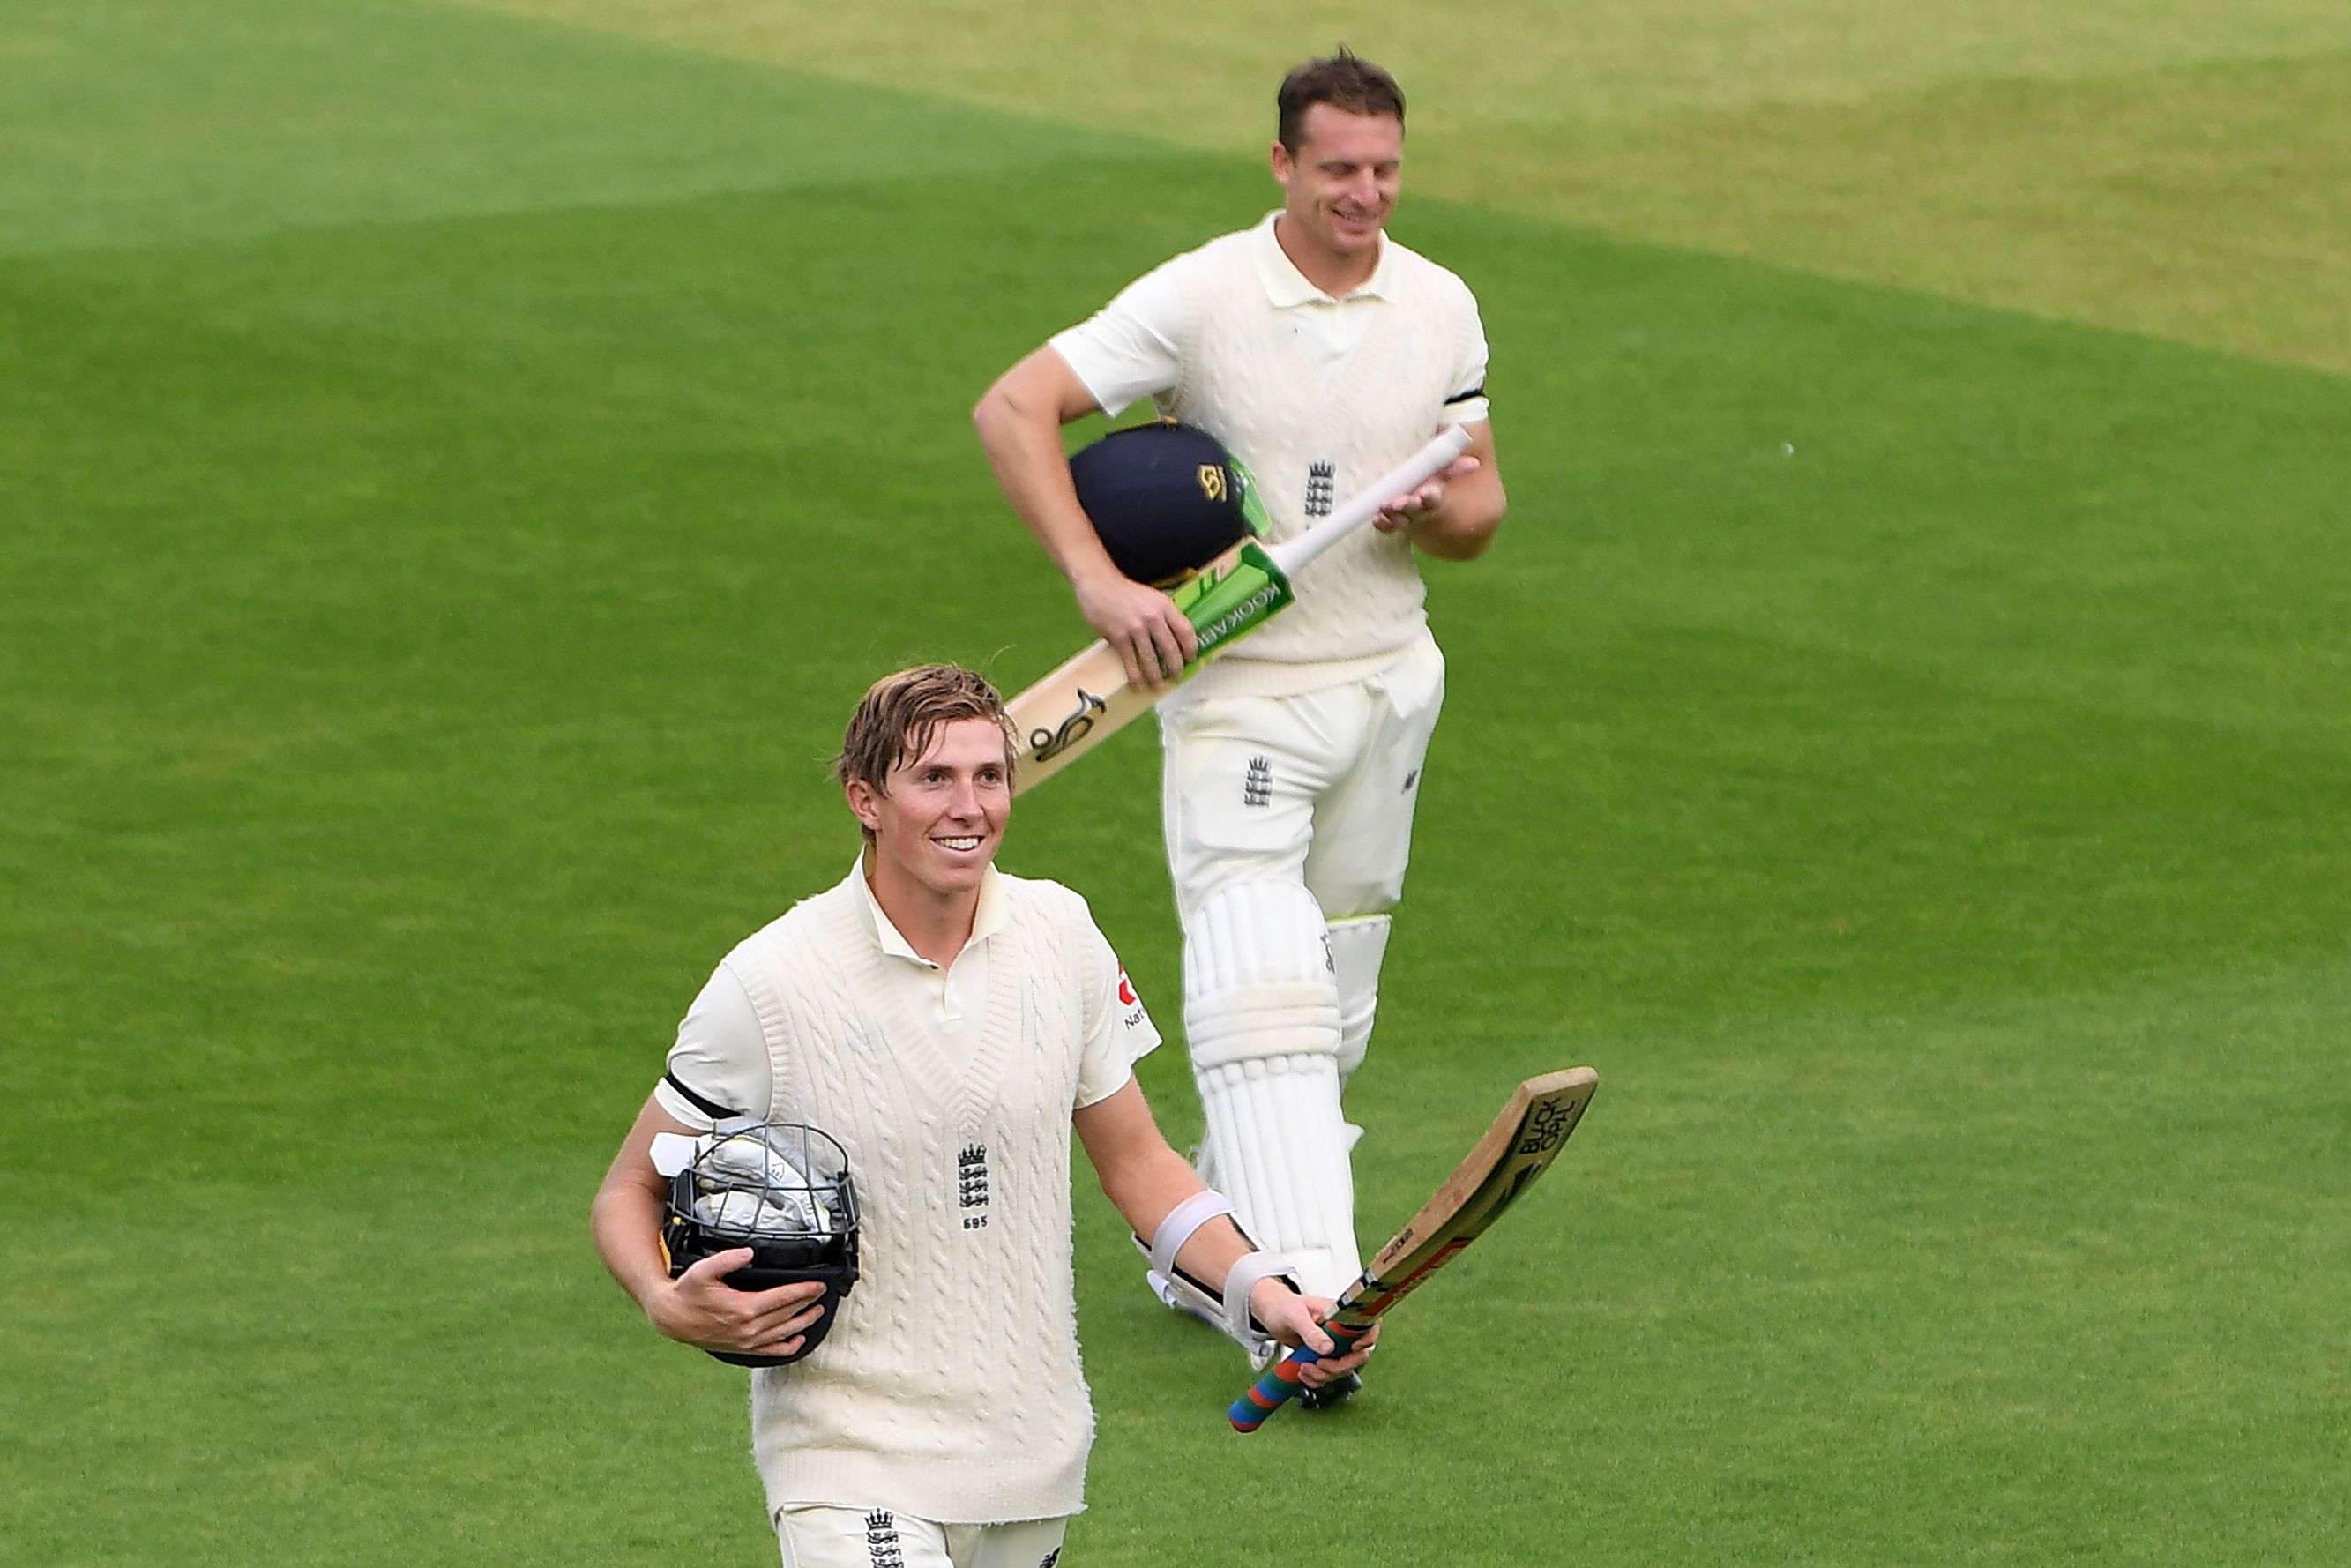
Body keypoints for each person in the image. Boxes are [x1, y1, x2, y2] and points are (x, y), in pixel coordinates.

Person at [970, 50, 1505, 1389]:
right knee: (1263, 992)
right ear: (1282, 164)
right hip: (1235, 697)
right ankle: (1307, 1297)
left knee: (1336, 1003)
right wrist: (1097, 580)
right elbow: (1013, 406)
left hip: (1388, 684)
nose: (1363, 194)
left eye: (1383, 169)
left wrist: (1440, 512)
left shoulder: (1437, 304)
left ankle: (1202, 1240)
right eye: (1337, 170)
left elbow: (1482, 504)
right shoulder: (1206, 295)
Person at [591, 664, 1370, 1568]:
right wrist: (663, 1300)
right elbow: (630, 1188)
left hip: (1028, 1455)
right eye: (933, 778)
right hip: (848, 1452)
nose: (968, 806)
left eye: (988, 775)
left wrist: (1263, 1292)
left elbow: (1140, 1165)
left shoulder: (1062, 935)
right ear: (865, 798)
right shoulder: (770, 981)